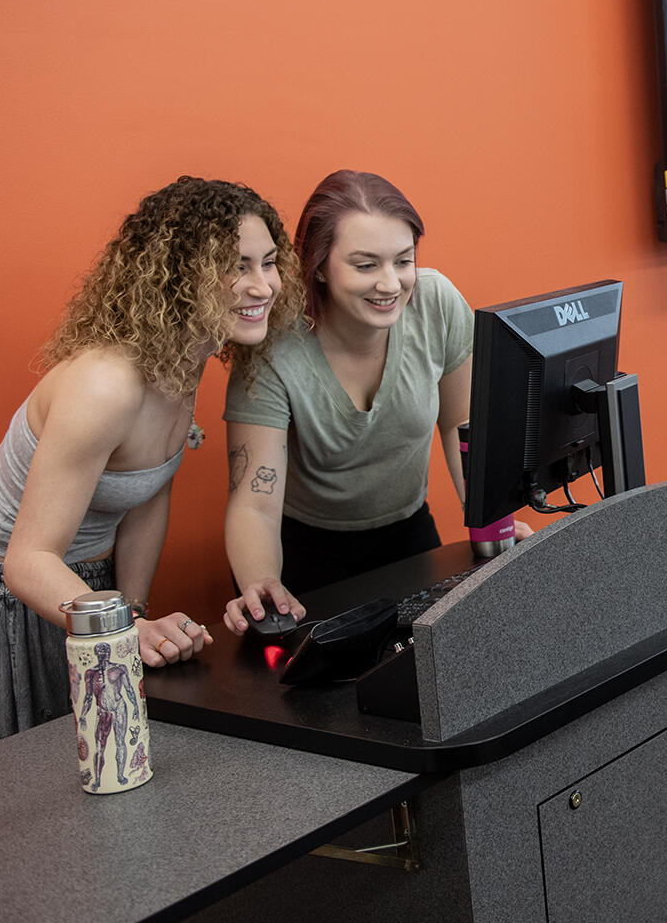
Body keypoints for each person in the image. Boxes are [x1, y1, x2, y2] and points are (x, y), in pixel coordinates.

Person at [0, 176, 302, 754]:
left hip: (95, 591)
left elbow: (147, 495)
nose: (262, 285)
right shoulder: (105, 385)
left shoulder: (185, 359)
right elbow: (27, 561)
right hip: (16, 598)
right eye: (236, 267)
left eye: (268, 262)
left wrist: (134, 612)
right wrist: (125, 630)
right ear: (178, 277)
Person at [220, 170, 525, 633]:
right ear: (318, 266)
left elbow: (461, 426)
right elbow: (254, 503)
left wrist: (493, 529)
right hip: (302, 550)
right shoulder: (273, 343)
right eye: (365, 265)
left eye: (403, 261)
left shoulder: (435, 301)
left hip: (408, 535)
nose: (390, 284)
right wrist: (262, 583)